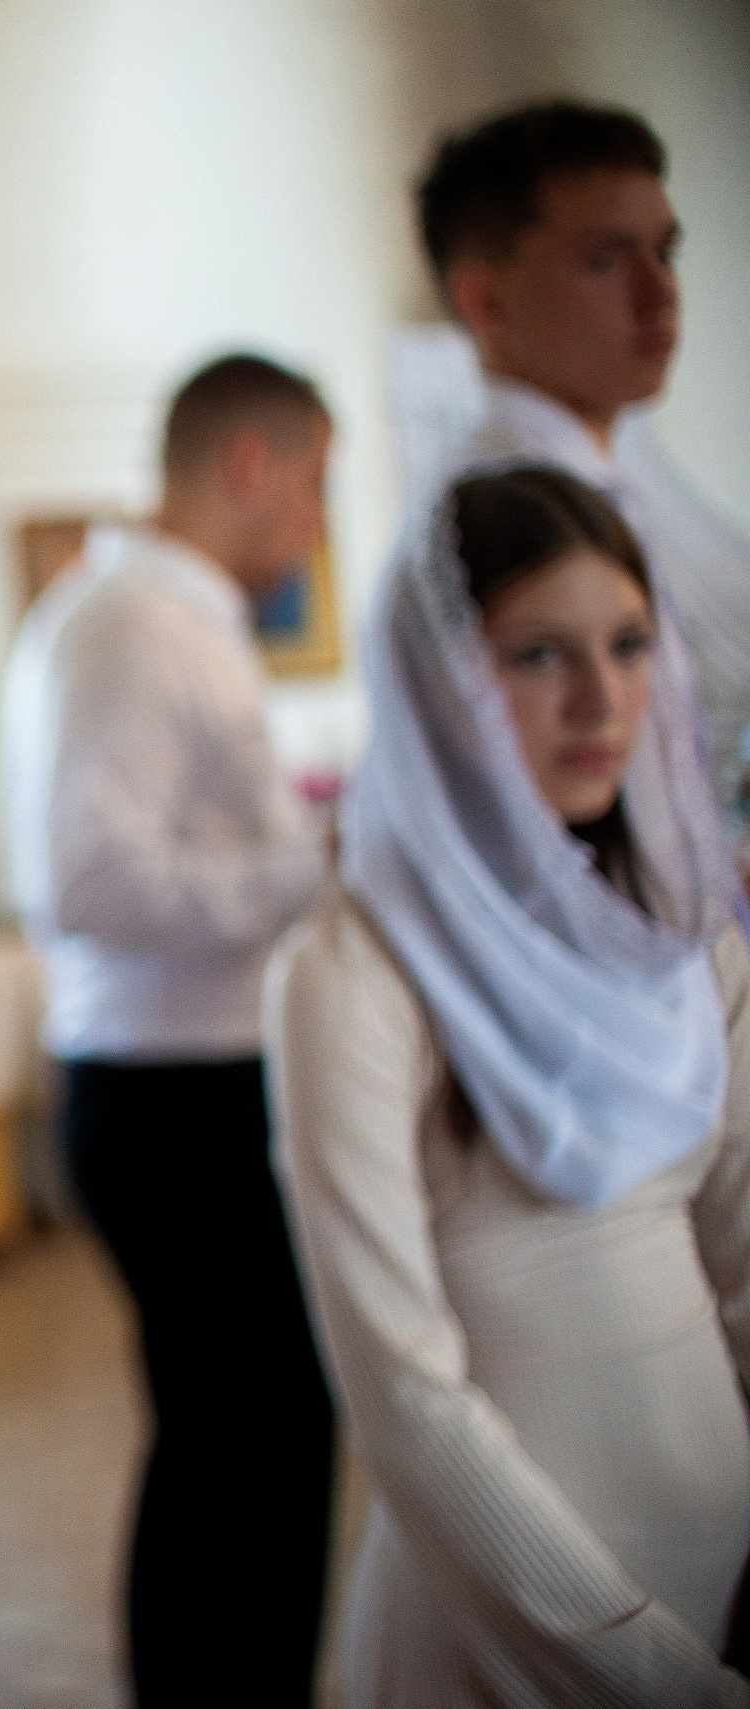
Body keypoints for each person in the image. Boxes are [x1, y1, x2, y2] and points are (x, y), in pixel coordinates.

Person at [268, 464, 750, 1706]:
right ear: (440, 682)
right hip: (504, 1632)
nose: (600, 699)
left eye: (629, 644)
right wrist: (640, 1667)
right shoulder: (349, 972)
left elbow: (746, 1266)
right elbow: (400, 1392)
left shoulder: (687, 939)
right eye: (539, 655)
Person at [0, 353, 339, 1705]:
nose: (315, 515)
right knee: (238, 1444)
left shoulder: (160, 613)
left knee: (253, 1441)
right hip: (173, 1096)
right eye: (314, 479)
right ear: (250, 463)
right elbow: (89, 881)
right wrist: (325, 864)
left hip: (196, 1083)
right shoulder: (134, 619)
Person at [419, 100, 750, 845]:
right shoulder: (486, 515)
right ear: (487, 298)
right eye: (604, 259)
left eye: (665, 252)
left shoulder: (612, 475)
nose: (659, 293)